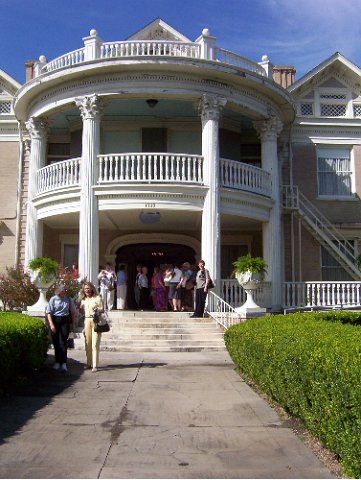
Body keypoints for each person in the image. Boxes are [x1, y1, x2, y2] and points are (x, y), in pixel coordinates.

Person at [46, 284, 76, 372]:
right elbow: (49, 312)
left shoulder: (68, 299)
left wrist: (72, 323)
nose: (64, 292)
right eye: (63, 291)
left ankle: (63, 362)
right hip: (55, 320)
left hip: (64, 320)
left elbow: (73, 311)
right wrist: (51, 325)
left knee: (63, 342)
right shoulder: (53, 299)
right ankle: (57, 361)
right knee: (56, 342)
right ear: (59, 292)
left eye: (65, 291)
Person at [79, 281, 103, 372]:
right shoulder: (83, 299)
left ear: (92, 289)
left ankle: (95, 365)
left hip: (95, 320)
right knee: (87, 343)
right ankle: (89, 363)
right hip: (86, 320)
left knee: (95, 343)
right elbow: (81, 311)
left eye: (88, 288)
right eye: (85, 289)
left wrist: (97, 310)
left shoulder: (97, 298)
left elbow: (102, 309)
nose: (87, 290)